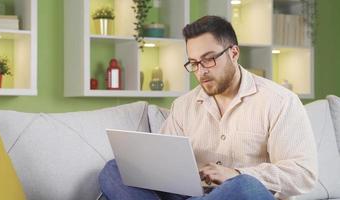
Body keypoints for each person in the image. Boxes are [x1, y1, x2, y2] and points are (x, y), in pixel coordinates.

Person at [99, 16, 318, 200]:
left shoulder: (280, 101)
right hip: (193, 194)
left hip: (239, 195)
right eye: (193, 63)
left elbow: (303, 174)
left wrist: (235, 173)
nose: (201, 71)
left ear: (233, 53)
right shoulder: (184, 105)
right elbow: (163, 165)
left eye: (209, 59)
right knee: (115, 169)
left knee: (244, 186)